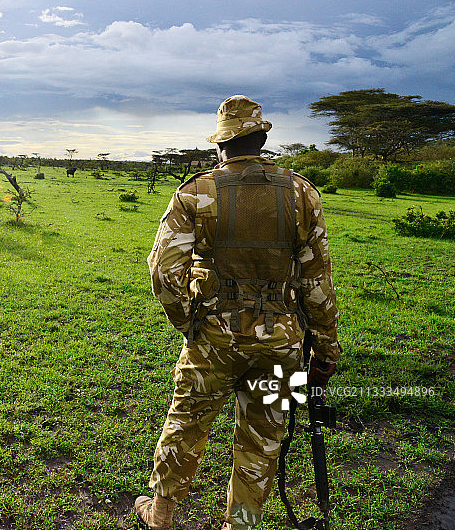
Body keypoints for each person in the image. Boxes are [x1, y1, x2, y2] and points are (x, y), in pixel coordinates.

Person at [135, 95, 341, 530]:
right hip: (282, 342)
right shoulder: (302, 191)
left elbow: (163, 270)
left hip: (213, 339)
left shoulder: (196, 191)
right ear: (261, 138)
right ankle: (241, 523)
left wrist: (188, 322)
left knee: (186, 425)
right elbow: (317, 281)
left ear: (221, 145)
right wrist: (325, 349)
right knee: (263, 440)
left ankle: (160, 514)